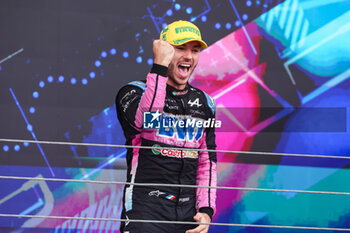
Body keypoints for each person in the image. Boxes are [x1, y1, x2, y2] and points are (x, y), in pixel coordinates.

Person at [116, 20, 217, 233]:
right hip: (145, 212)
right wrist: (160, 66)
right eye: (180, 48)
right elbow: (145, 120)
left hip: (188, 216)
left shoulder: (205, 102)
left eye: (195, 50)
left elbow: (207, 162)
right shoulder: (132, 92)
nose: (189, 56)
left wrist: (206, 210)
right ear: (164, 50)